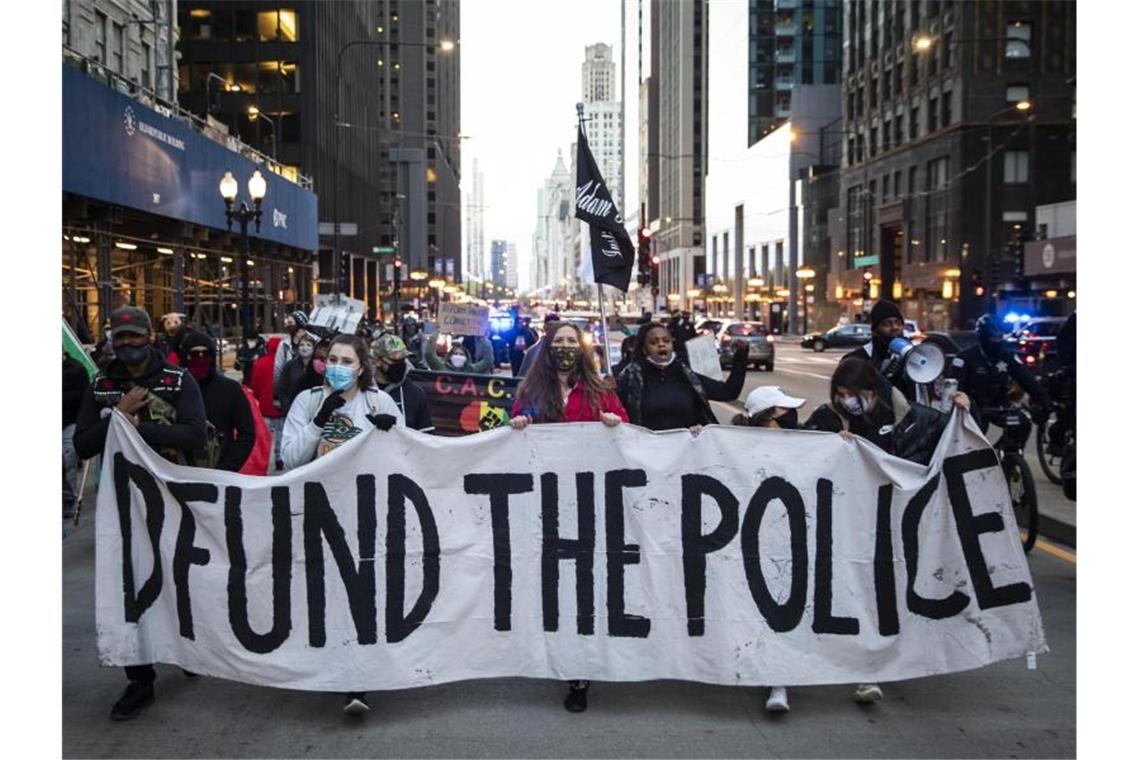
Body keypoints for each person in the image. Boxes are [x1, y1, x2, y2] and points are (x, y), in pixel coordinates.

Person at [802, 357, 970, 707]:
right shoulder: (826, 418)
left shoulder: (909, 418)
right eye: (841, 393)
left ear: (873, 390)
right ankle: (859, 667)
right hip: (842, 523)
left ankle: (875, 665)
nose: (848, 400)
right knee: (850, 592)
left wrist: (965, 409)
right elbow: (800, 454)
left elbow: (954, 434)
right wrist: (829, 445)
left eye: (856, 393)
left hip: (890, 523)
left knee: (882, 594)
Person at [73, 306, 208, 721]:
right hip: (120, 503)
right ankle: (139, 678)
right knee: (127, 586)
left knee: (178, 576)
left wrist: (136, 425)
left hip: (170, 498)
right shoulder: (100, 384)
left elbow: (195, 434)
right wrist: (117, 415)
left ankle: (187, 647)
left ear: (151, 336)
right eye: (121, 336)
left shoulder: (177, 380)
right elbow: (82, 445)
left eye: (135, 335)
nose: (128, 344)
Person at [280, 333, 404, 716]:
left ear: (362, 367)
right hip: (319, 509)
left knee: (362, 592)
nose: (337, 366)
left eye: (346, 361)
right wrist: (320, 419)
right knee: (324, 592)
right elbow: (289, 456)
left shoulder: (378, 401)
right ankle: (328, 664)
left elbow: (406, 456)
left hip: (366, 511)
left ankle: (358, 680)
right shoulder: (308, 401)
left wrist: (391, 433)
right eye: (332, 358)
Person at [506, 321, 627, 714]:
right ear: (547, 347)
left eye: (571, 341)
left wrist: (614, 423)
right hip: (547, 502)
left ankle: (580, 671)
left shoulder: (601, 390)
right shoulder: (530, 390)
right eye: (558, 341)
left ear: (583, 347)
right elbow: (515, 428)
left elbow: (626, 430)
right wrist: (520, 425)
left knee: (585, 585)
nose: (564, 347)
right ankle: (556, 654)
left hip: (590, 502)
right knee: (553, 583)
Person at [729, 386, 807, 713]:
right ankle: (772, 677)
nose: (792, 417)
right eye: (784, 411)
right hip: (753, 539)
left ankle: (780, 679)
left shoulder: (804, 444)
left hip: (790, 535)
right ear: (769, 417)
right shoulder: (736, 448)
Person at [617, 322, 749, 432]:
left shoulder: (687, 377)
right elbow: (614, 412)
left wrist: (740, 357)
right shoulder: (629, 379)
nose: (661, 344)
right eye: (653, 342)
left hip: (686, 455)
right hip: (645, 454)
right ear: (644, 349)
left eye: (666, 341)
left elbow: (728, 392)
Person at [950, 314, 1049, 444]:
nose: (996, 341)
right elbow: (954, 389)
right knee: (974, 434)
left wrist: (1044, 401)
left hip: (1000, 406)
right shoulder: (965, 358)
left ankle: (1011, 457)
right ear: (983, 337)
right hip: (973, 408)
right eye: (992, 338)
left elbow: (1027, 379)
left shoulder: (1007, 356)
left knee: (1023, 424)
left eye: (999, 337)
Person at [179, 331, 256, 471]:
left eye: (205, 354)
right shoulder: (176, 389)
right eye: (195, 355)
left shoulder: (230, 389)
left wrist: (227, 469)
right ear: (186, 356)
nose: (200, 359)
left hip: (222, 473)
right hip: (182, 472)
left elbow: (247, 433)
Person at [843, 299, 916, 401]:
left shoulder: (912, 354)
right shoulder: (856, 359)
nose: (895, 327)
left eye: (898, 323)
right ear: (874, 329)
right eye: (887, 324)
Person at [371, 333, 435, 433]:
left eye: (403, 359)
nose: (400, 365)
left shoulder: (416, 394)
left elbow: (427, 436)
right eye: (394, 360)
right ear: (377, 361)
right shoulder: (362, 390)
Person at [251, 336, 287, 470]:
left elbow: (255, 384)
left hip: (265, 406)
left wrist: (259, 396)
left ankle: (262, 460)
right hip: (281, 406)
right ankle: (279, 459)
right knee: (280, 434)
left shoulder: (260, 363)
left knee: (264, 437)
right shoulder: (285, 363)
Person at [63, 352, 89, 520]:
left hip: (70, 421)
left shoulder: (76, 370)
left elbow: (82, 398)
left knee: (67, 459)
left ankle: (68, 501)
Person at [276, 330, 322, 414]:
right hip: (292, 409)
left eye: (308, 345)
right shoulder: (289, 366)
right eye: (302, 345)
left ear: (313, 349)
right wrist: (287, 407)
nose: (305, 348)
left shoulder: (318, 367)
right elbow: (281, 389)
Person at [273, 309, 310, 394]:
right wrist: (279, 390)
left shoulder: (313, 341)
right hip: (289, 390)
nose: (287, 325)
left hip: (307, 389)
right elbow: (278, 369)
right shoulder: (284, 344)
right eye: (287, 322)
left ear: (299, 324)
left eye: (290, 323)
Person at [517, 312, 561, 377]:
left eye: (555, 326)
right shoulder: (533, 351)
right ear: (545, 327)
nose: (552, 329)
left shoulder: (533, 350)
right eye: (550, 325)